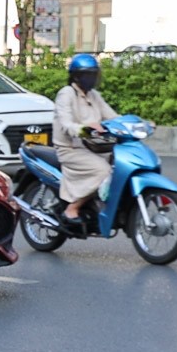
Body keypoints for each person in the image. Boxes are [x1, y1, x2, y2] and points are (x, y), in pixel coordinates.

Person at [50, 54, 118, 231]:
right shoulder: (66, 94)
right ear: (76, 76)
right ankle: (73, 208)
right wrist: (86, 128)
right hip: (71, 149)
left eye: (93, 74)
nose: (91, 79)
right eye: (87, 75)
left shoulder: (94, 95)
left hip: (95, 147)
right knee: (103, 171)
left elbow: (112, 117)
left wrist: (139, 123)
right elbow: (66, 124)